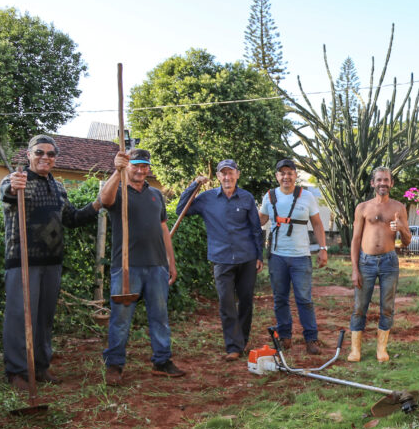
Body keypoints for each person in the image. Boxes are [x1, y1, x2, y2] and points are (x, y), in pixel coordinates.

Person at [0, 135, 103, 391]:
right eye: (39, 153)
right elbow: (8, 192)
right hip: (22, 261)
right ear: (29, 155)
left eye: (50, 154)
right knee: (19, 317)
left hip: (52, 262)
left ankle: (41, 366)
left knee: (44, 318)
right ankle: (18, 372)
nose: (45, 157)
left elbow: (72, 218)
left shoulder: (59, 188)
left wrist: (98, 204)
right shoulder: (17, 181)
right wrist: (14, 186)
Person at [98, 149, 185, 385]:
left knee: (160, 316)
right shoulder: (118, 191)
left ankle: (162, 361)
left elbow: (164, 230)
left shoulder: (156, 194)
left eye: (144, 166)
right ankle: (115, 365)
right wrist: (116, 171)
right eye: (135, 165)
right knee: (121, 318)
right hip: (126, 267)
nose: (140, 170)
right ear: (127, 166)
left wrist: (171, 262)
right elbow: (103, 201)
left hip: (157, 266)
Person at [177, 159, 264, 360]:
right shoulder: (207, 198)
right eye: (223, 173)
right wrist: (194, 186)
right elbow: (181, 210)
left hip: (247, 257)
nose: (227, 177)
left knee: (246, 302)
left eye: (230, 173)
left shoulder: (247, 198)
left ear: (237, 175)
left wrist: (259, 255)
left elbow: (255, 229)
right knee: (226, 303)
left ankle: (240, 340)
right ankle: (233, 347)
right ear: (218, 177)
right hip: (221, 258)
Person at [258, 159, 329, 354]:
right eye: (282, 173)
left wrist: (323, 248)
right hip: (277, 256)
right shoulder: (270, 196)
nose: (286, 176)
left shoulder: (306, 196)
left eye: (290, 173)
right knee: (280, 298)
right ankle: (285, 337)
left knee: (304, 299)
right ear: (277, 176)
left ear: (295, 176)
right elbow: (260, 221)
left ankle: (311, 339)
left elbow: (317, 223)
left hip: (300, 257)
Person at [349, 166, 411, 363]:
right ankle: (355, 350)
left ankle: (381, 349)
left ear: (391, 183)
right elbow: (356, 239)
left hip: (389, 261)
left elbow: (407, 240)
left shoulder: (398, 207)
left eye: (386, 180)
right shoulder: (363, 208)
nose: (383, 183)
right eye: (379, 180)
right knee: (360, 306)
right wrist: (355, 269)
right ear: (373, 183)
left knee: (387, 307)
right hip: (365, 261)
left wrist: (401, 228)